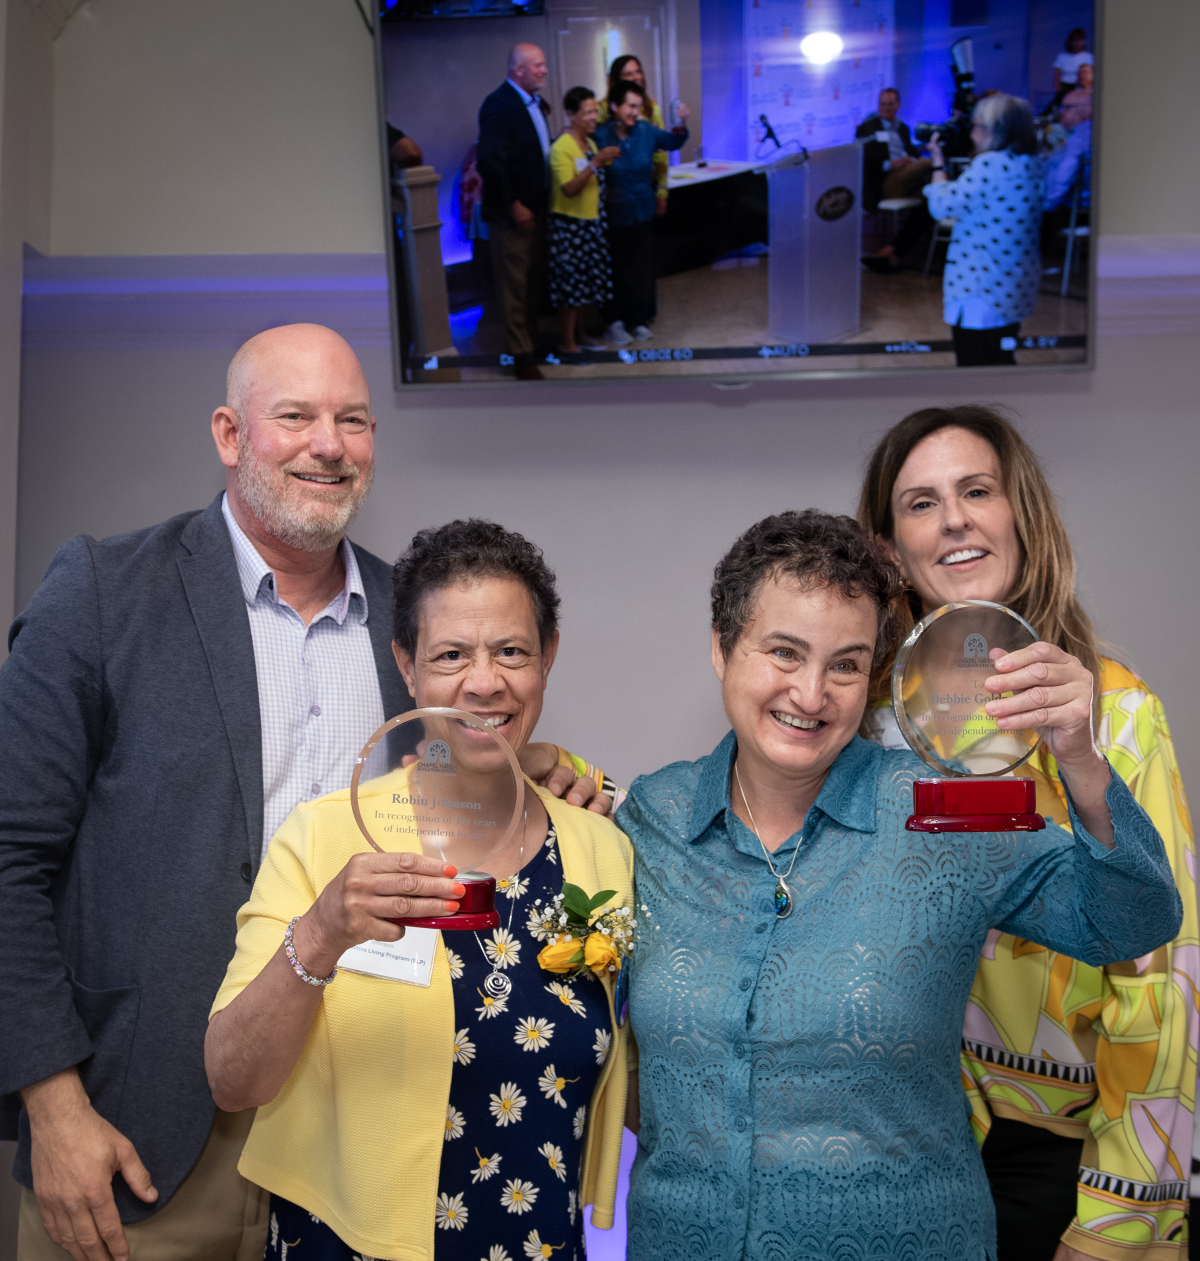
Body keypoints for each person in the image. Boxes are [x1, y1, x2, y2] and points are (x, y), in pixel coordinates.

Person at [0, 324, 607, 1261]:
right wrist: (52, 1102)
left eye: (353, 419)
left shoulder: (416, 618)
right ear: (230, 435)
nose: (329, 442)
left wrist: (529, 762)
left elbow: (458, 758)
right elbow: (9, 857)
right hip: (141, 1131)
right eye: (296, 416)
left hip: (361, 1138)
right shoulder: (106, 593)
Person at [615, 507, 1181, 1261]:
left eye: (845, 663)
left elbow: (1133, 919)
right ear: (722, 649)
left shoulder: (938, 810)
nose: (811, 693)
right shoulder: (651, 817)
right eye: (784, 651)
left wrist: (1078, 756)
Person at [206, 519, 635, 1261]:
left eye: (511, 651)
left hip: (538, 1240)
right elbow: (231, 1078)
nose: (483, 680)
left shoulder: (602, 847)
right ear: (406, 666)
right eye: (450, 654)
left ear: (548, 658)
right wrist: (320, 934)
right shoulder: (325, 838)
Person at [857, 406, 1198, 1261]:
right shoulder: (861, 726)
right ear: (889, 546)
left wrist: (1116, 1221)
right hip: (906, 1158)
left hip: (1064, 1160)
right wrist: (558, 774)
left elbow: (1166, 983)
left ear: (1022, 516)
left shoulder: (1115, 712)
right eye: (921, 502)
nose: (956, 518)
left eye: (977, 490)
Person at [925, 94, 1044, 367]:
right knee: (1001, 357)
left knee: (974, 364)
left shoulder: (990, 164)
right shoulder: (1034, 163)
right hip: (1014, 284)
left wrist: (937, 161)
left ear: (997, 131)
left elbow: (941, 207)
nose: (973, 133)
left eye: (978, 126)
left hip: (980, 287)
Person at [477, 44, 552, 381]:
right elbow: (490, 161)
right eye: (538, 65)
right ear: (518, 69)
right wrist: (514, 204)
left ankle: (532, 345)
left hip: (539, 208)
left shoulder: (533, 102)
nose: (544, 70)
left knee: (533, 283)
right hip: (513, 213)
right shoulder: (499, 104)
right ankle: (521, 356)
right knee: (515, 286)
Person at [594, 81, 686, 346]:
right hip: (614, 216)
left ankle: (639, 320)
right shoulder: (601, 135)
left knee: (641, 271)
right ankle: (614, 322)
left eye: (638, 106)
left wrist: (681, 122)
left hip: (643, 212)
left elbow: (675, 141)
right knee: (615, 271)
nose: (636, 112)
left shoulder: (646, 131)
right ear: (614, 106)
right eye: (630, 106)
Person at [548, 87, 619, 355]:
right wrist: (595, 164)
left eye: (595, 111)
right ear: (571, 114)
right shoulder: (561, 148)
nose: (594, 117)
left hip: (590, 224)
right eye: (588, 112)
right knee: (570, 290)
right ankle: (567, 345)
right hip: (570, 228)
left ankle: (580, 335)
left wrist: (604, 161)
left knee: (584, 287)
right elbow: (568, 188)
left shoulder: (588, 144)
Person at [597, 56, 688, 223]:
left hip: (645, 187)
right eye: (628, 74)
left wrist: (662, 189)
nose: (636, 77)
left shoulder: (651, 109)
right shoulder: (602, 110)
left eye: (638, 71)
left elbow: (663, 151)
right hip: (616, 196)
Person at [857, 87, 935, 272]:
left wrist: (909, 161)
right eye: (882, 103)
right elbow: (860, 158)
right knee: (929, 163)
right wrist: (891, 164)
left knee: (932, 199)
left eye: (890, 103)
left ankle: (893, 252)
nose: (886, 107)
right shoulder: (868, 127)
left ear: (898, 105)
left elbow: (913, 152)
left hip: (908, 177)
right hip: (885, 182)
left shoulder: (903, 128)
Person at [1044, 88, 1093, 211]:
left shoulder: (1077, 140)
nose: (1061, 112)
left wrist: (1043, 207)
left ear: (1086, 111)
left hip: (1072, 211)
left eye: (1067, 107)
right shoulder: (1093, 134)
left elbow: (1059, 185)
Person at [1053, 29, 1093, 107]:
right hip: (1064, 88)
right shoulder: (1062, 57)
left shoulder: (1088, 57)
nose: (1077, 43)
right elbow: (1057, 77)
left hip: (1082, 88)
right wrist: (1058, 91)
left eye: (1080, 40)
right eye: (1075, 39)